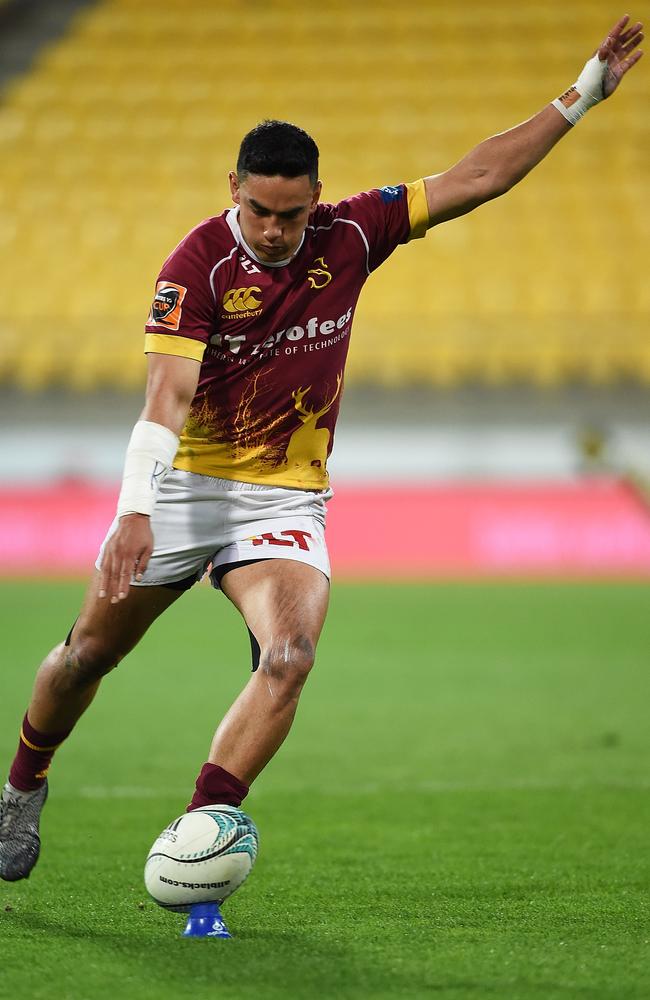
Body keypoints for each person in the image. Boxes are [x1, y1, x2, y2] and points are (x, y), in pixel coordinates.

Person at [0, 15, 643, 881]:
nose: (272, 229)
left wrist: (582, 95)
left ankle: (199, 836)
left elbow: (479, 176)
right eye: (258, 210)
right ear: (233, 188)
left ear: (317, 197)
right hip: (185, 483)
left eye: (290, 213)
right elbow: (167, 395)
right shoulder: (194, 267)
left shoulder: (351, 234)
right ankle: (22, 786)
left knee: (291, 656)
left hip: (283, 498)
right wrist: (135, 512)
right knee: (84, 658)